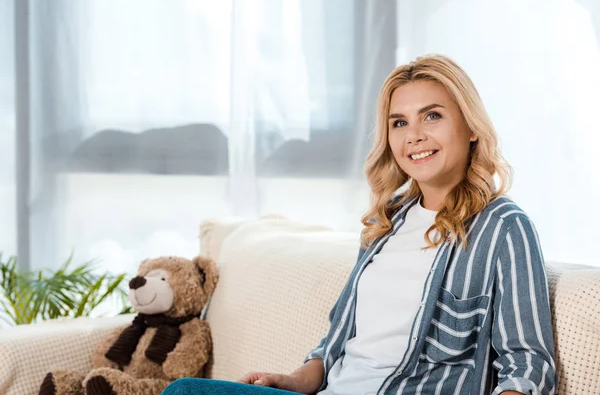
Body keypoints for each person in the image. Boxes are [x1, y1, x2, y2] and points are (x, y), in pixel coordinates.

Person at [162, 54, 556, 395]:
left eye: (432, 116)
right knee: (185, 391)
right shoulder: (386, 223)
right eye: (399, 123)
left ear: (471, 127)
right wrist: (296, 379)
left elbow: (527, 362)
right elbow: (338, 342)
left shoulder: (503, 227)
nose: (414, 136)